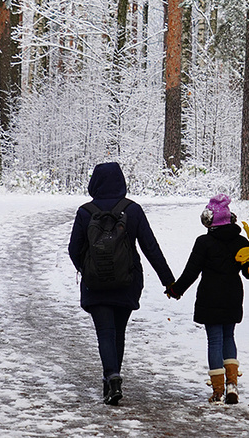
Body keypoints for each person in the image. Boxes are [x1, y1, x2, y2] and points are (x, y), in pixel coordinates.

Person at [68, 162, 175, 405]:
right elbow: (150, 247)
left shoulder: (85, 212)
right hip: (127, 281)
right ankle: (113, 378)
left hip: (95, 284)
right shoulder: (133, 210)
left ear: (94, 183)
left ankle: (112, 378)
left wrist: (87, 269)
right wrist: (168, 281)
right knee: (119, 331)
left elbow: (73, 249)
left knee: (105, 332)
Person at [165, 194, 249, 404]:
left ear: (209, 220)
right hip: (233, 295)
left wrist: (175, 290)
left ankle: (217, 391)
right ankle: (232, 385)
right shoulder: (241, 242)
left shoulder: (204, 242)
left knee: (214, 340)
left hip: (210, 296)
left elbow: (191, 272)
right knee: (229, 337)